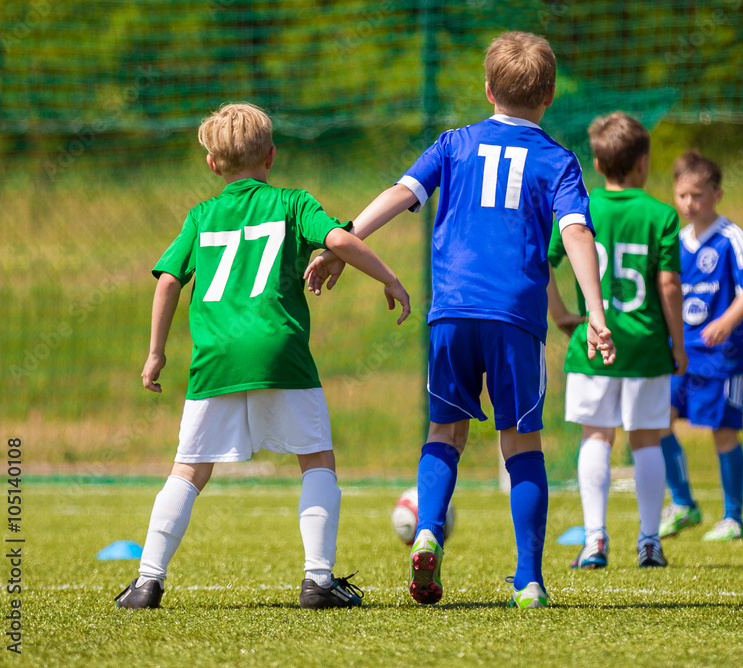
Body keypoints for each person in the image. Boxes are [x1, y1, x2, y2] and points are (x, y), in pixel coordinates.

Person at [304, 31, 615, 608]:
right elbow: (576, 234)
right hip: (515, 315)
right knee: (521, 442)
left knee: (444, 433)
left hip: (452, 310)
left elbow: (400, 193)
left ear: (489, 88)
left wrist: (342, 239)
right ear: (548, 95)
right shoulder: (559, 160)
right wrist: (594, 312)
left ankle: (428, 529)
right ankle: (528, 581)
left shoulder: (454, 143)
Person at [114, 102, 410, 610]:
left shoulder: (201, 215)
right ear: (271, 155)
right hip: (279, 350)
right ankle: (317, 581)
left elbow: (167, 282)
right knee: (315, 459)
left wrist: (155, 353)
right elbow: (339, 238)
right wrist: (389, 277)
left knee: (188, 469)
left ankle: (147, 581)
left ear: (212, 164)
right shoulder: (292, 202)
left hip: (215, 358)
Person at [546, 112, 687, 571]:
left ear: (598, 162)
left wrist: (564, 315)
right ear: (643, 163)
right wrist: (678, 344)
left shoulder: (581, 207)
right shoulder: (662, 215)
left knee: (596, 437)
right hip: (645, 346)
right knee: (646, 440)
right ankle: (649, 541)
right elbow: (668, 286)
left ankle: (593, 540)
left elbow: (544, 261)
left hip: (592, 345)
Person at [658, 150, 743, 542]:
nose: (689, 203)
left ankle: (733, 517)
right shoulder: (675, 239)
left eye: (698, 195)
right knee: (657, 421)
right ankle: (683, 503)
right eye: (682, 195)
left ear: (717, 194)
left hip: (723, 356)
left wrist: (726, 320)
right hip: (680, 353)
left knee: (723, 432)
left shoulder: (730, 237)